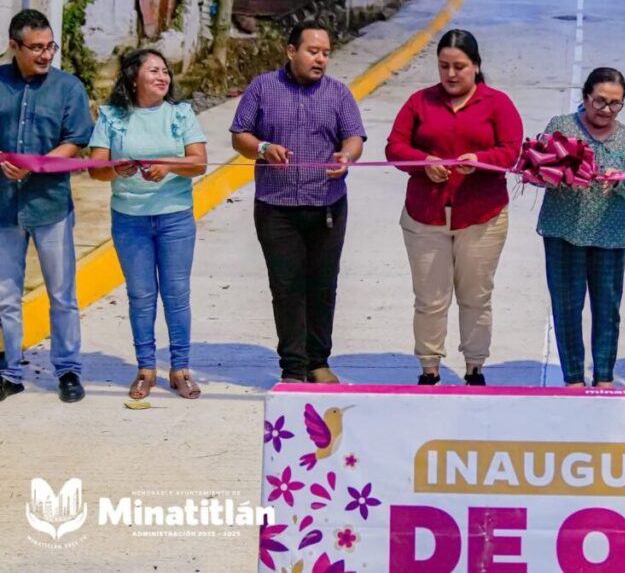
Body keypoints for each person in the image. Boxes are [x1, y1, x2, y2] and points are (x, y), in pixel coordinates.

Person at [230, 20, 366, 384]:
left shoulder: (338, 94)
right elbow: (239, 134)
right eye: (312, 51)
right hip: (276, 208)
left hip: (327, 206)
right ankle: (292, 368)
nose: (320, 58)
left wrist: (346, 157)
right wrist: (262, 148)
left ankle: (317, 362)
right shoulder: (262, 88)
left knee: (323, 285)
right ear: (291, 51)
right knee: (287, 287)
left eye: (325, 53)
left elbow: (354, 137)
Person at [386, 29, 523, 386]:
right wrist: (422, 161)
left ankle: (475, 366)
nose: (450, 74)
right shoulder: (420, 102)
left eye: (459, 66)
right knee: (430, 298)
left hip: (481, 216)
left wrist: (480, 160)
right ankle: (429, 368)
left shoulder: (497, 103)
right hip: (425, 216)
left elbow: (511, 150)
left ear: (476, 66)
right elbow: (395, 146)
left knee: (476, 296)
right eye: (444, 66)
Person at [88, 49, 208, 399]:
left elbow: (198, 162)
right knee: (141, 296)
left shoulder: (181, 114)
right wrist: (116, 168)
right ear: (133, 77)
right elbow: (95, 169)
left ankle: (181, 368)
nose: (163, 76)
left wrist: (169, 166)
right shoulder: (111, 117)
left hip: (175, 217)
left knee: (177, 294)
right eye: (153, 70)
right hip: (129, 220)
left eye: (165, 71)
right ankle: (145, 368)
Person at [0, 9, 93, 403]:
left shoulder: (68, 88)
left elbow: (77, 138)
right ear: (14, 47)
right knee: (5, 295)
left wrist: (35, 166)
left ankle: (68, 370)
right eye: (36, 48)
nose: (45, 54)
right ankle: (10, 371)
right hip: (3, 209)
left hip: (51, 205)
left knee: (62, 294)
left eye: (50, 46)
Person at [537, 68, 625, 387]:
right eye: (599, 102)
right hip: (563, 230)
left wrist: (621, 180)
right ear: (585, 97)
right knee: (567, 307)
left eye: (615, 103)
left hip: (610, 233)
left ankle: (604, 377)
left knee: (607, 309)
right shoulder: (561, 126)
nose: (606, 110)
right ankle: (572, 378)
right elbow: (538, 166)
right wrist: (558, 169)